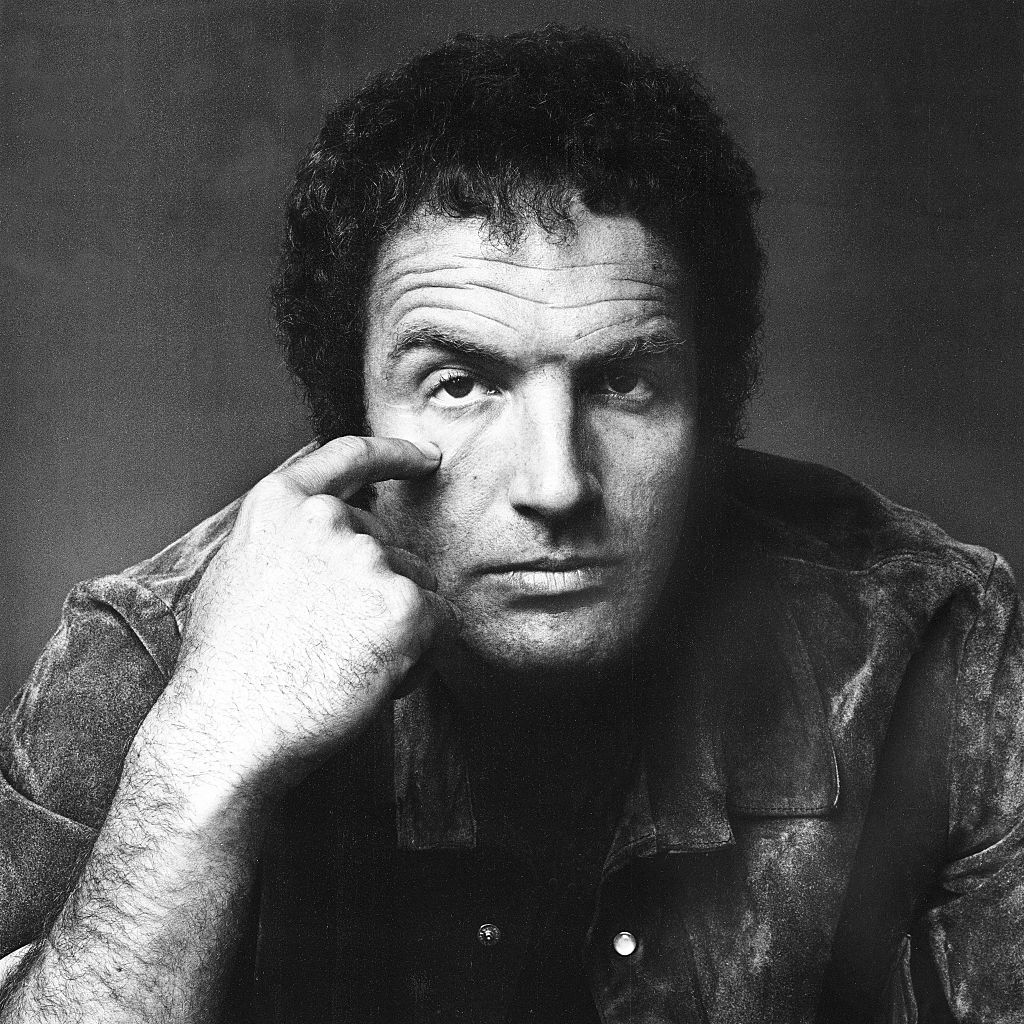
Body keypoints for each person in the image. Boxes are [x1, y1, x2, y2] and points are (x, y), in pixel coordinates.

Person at [0, 26, 1021, 1024]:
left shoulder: (934, 644)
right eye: (459, 384)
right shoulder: (148, 658)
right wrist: (205, 755)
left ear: (711, 413)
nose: (555, 483)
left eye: (625, 383)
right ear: (349, 423)